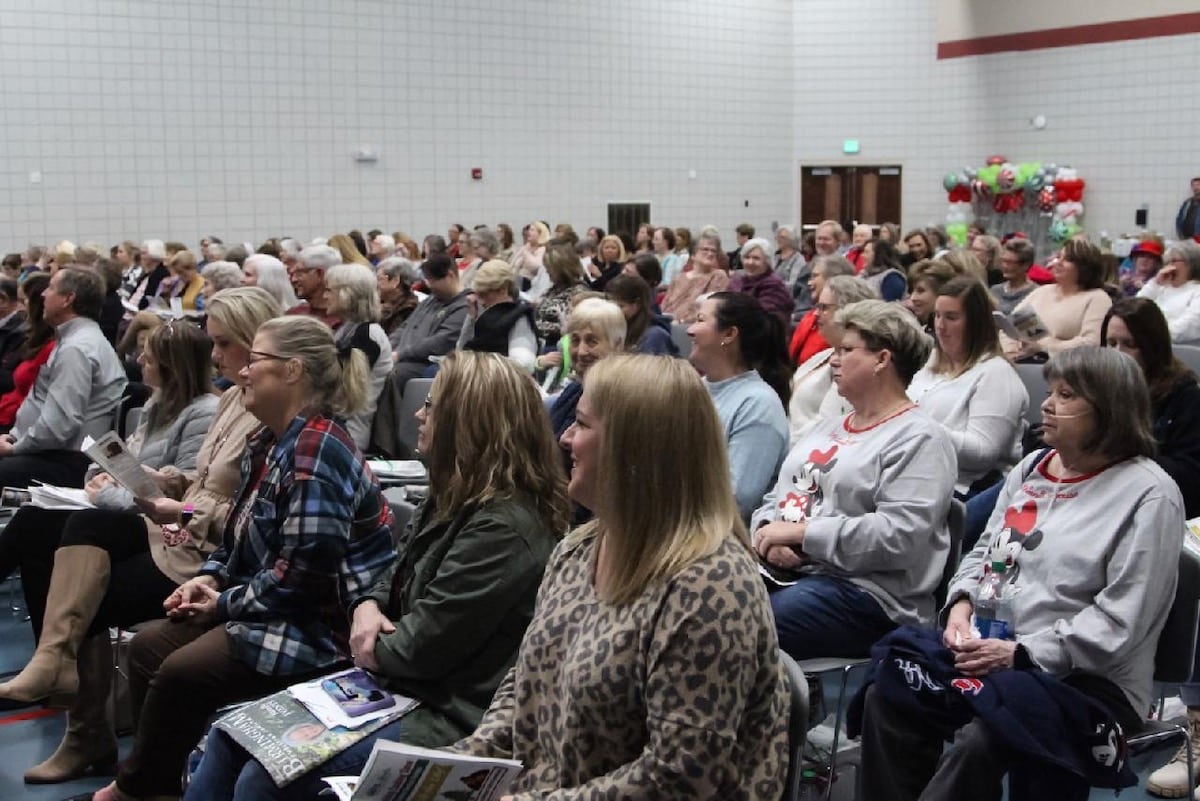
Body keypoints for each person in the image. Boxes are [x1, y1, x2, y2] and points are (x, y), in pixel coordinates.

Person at [183, 351, 569, 800]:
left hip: (446, 710)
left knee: (265, 776)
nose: (420, 414)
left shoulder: (503, 528)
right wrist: (366, 608)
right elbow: (388, 578)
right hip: (386, 686)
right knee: (229, 737)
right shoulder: (452, 492)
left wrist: (367, 632)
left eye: (433, 406)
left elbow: (416, 651)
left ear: (469, 424)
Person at [88, 314, 396, 801]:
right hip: (263, 595)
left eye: (252, 358)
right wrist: (210, 578)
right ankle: (156, 784)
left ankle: (138, 788)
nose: (239, 369)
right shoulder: (270, 438)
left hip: (318, 628)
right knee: (148, 649)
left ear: (292, 371)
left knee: (180, 672)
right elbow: (236, 533)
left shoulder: (315, 452)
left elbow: (303, 579)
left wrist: (222, 602)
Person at [453, 354, 789, 799]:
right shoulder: (579, 548)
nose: (565, 437)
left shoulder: (713, 588)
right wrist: (463, 764)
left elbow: (677, 779)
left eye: (582, 424)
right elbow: (526, 685)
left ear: (635, 450)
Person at [859, 346, 1183, 801]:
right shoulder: (1032, 469)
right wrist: (961, 606)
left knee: (985, 737)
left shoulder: (1149, 495)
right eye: (1049, 391)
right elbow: (982, 556)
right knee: (890, 692)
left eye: (1066, 395)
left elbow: (1120, 624)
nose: (1046, 404)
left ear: (1110, 412)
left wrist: (1021, 653)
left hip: (1087, 680)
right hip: (990, 653)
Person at [0, 290, 278, 790]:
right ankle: (56, 667)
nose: (214, 355)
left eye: (223, 344)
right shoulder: (234, 398)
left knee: (84, 587)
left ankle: (76, 710)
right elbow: (202, 479)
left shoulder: (260, 409)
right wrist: (157, 478)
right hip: (179, 527)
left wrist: (180, 505)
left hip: (205, 549)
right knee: (54, 526)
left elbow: (241, 512)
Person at [0, 319, 217, 664]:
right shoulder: (155, 405)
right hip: (120, 508)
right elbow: (110, 459)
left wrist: (104, 493)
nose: (140, 363)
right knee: (34, 529)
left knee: (46, 531)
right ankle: (51, 663)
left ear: (171, 366)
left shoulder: (203, 414)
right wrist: (100, 481)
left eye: (148, 358)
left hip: (160, 530)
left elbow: (182, 499)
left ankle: (54, 664)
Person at [751, 300, 956, 659]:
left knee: (738, 622)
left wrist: (803, 535)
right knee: (695, 594)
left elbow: (900, 536)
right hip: (794, 573)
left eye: (846, 350)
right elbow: (776, 497)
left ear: (882, 359)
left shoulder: (921, 438)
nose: (833, 359)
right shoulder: (828, 426)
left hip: (868, 596)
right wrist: (767, 531)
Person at [0, 268, 125, 489]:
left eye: (51, 288)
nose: (43, 295)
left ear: (68, 299)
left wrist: (14, 448)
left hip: (67, 460)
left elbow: (58, 427)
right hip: (53, 452)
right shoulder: (75, 340)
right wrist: (12, 437)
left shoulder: (76, 349)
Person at [907, 277, 1028, 497]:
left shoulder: (996, 373)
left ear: (976, 323)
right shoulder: (931, 361)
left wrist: (915, 428)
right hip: (916, 476)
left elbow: (983, 453)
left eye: (951, 318)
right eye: (937, 316)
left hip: (965, 489)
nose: (940, 326)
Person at [687, 292, 789, 521]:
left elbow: (735, 501)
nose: (690, 330)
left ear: (729, 334)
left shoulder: (759, 404)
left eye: (701, 320)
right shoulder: (694, 389)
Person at [788, 276, 877, 445]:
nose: (816, 313)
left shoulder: (855, 365)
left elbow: (829, 425)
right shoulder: (822, 356)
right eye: (817, 307)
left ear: (848, 310)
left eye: (824, 308)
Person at [1002, 238, 1113, 361]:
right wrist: (1010, 352)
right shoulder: (1043, 291)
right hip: (1021, 361)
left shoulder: (1097, 298)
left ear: (1085, 267)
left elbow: (1090, 344)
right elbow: (1010, 327)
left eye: (1068, 259)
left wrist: (1043, 347)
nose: (1058, 263)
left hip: (1064, 369)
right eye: (1058, 257)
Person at [324, 262, 393, 450]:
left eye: (329, 290)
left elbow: (346, 395)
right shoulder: (347, 330)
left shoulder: (366, 336)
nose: (325, 296)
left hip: (347, 433)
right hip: (335, 426)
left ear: (347, 293)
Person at [456, 260, 537, 372]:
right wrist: (471, 318)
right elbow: (461, 351)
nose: (481, 302)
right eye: (478, 295)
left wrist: (483, 369)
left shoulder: (519, 318)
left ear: (503, 290)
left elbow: (524, 365)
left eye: (484, 295)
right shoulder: (482, 313)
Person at [0, 273, 53, 430]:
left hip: (15, 421)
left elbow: (10, 380)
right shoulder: (32, 336)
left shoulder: (21, 333)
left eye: (24, 301)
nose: (20, 308)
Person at [788, 255, 855, 365]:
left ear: (833, 278)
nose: (809, 283)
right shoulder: (810, 317)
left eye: (815, 276)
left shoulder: (844, 324)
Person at [1137, 239, 1200, 344]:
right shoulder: (1161, 288)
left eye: (1174, 261)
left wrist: (1150, 333)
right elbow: (1136, 308)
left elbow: (1190, 326)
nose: (1169, 266)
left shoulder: (1196, 291)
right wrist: (1155, 283)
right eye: (1166, 262)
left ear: (1191, 264)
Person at [660, 233, 730, 324]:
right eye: (705, 249)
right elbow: (664, 305)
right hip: (667, 322)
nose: (710, 253)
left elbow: (711, 310)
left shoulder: (718, 276)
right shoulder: (679, 278)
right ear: (693, 254)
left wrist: (681, 321)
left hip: (692, 327)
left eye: (713, 251)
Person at [604, 273, 675, 356]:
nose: (613, 311)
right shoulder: (611, 328)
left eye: (620, 306)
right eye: (610, 305)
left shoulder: (654, 336)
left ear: (637, 305)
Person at [729, 237, 795, 324]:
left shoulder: (775, 286)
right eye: (747, 257)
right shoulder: (737, 281)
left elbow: (764, 319)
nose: (750, 262)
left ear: (767, 262)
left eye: (756, 258)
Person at [531, 244, 585, 345]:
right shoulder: (555, 288)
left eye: (549, 268)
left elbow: (571, 327)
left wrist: (536, 326)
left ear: (561, 269)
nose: (547, 272)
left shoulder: (578, 292)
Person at [989, 237, 1037, 315]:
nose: (1005, 266)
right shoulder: (994, 291)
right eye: (1003, 261)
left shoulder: (1036, 293)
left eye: (1010, 262)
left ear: (1025, 265)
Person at [375, 256, 421, 337]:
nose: (375, 284)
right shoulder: (380, 301)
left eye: (379, 278)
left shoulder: (407, 310)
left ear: (395, 280)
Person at [509, 221, 549, 291]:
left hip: (532, 284)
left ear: (540, 234)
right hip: (519, 281)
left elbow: (537, 266)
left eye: (532, 230)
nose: (528, 232)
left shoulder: (543, 249)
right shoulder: (525, 247)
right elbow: (513, 264)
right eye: (529, 230)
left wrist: (526, 254)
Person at [1178, 176, 1200, 241]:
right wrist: (1180, 233)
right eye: (1193, 185)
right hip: (1186, 238)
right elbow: (1179, 218)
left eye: (1198, 185)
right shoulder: (1187, 203)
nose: (1195, 187)